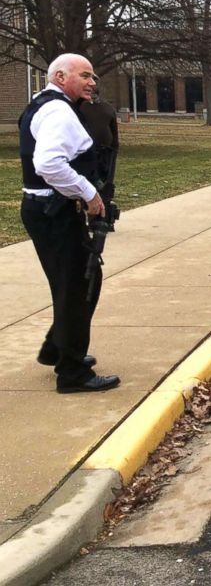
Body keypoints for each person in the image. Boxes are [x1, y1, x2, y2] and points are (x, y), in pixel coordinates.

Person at [19, 53, 121, 393]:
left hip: (44, 210)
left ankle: (59, 348)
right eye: (85, 75)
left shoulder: (43, 103)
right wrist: (90, 195)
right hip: (53, 211)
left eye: (93, 76)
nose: (92, 82)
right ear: (61, 77)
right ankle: (72, 372)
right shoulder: (58, 111)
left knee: (72, 284)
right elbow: (49, 163)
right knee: (80, 285)